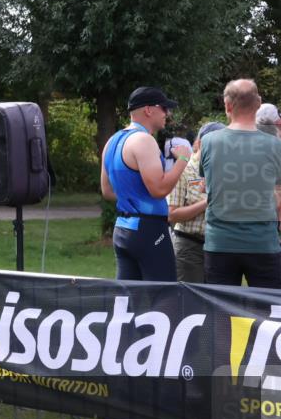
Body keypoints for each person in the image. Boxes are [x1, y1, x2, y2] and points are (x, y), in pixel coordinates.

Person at [100, 86, 189, 281]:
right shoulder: (143, 140)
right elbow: (159, 189)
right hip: (149, 229)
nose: (167, 113)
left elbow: (107, 191)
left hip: (123, 229)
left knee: (129, 296)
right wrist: (183, 159)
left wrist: (134, 197)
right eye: (164, 108)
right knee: (163, 295)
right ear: (149, 110)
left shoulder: (112, 140)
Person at [199, 79, 281, 288]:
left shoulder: (208, 142)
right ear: (258, 104)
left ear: (227, 106)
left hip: (220, 243)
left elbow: (205, 184)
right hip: (263, 243)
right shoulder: (275, 145)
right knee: (268, 307)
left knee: (219, 306)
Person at [166, 122, 225, 282]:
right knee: (189, 296)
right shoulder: (184, 171)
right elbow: (172, 214)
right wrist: (208, 201)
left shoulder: (223, 171)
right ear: (199, 143)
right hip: (190, 247)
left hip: (218, 247)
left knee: (215, 295)